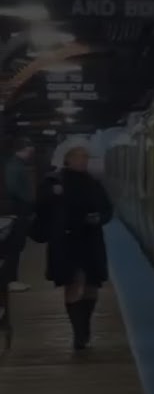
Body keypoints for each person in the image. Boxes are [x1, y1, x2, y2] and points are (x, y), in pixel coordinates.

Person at [27, 143, 113, 350]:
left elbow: (107, 209)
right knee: (74, 283)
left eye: (85, 157)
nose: (82, 161)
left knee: (92, 287)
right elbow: (39, 207)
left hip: (91, 240)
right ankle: (79, 334)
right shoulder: (53, 182)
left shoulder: (93, 183)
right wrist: (53, 194)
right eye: (78, 157)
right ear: (67, 160)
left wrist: (99, 218)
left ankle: (85, 328)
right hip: (65, 242)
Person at [2, 138, 37, 293]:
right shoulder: (15, 166)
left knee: (13, 247)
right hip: (17, 210)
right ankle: (9, 280)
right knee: (13, 247)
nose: (30, 154)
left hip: (16, 210)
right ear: (22, 149)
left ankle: (9, 280)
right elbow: (15, 189)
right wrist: (29, 200)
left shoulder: (13, 165)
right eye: (29, 150)